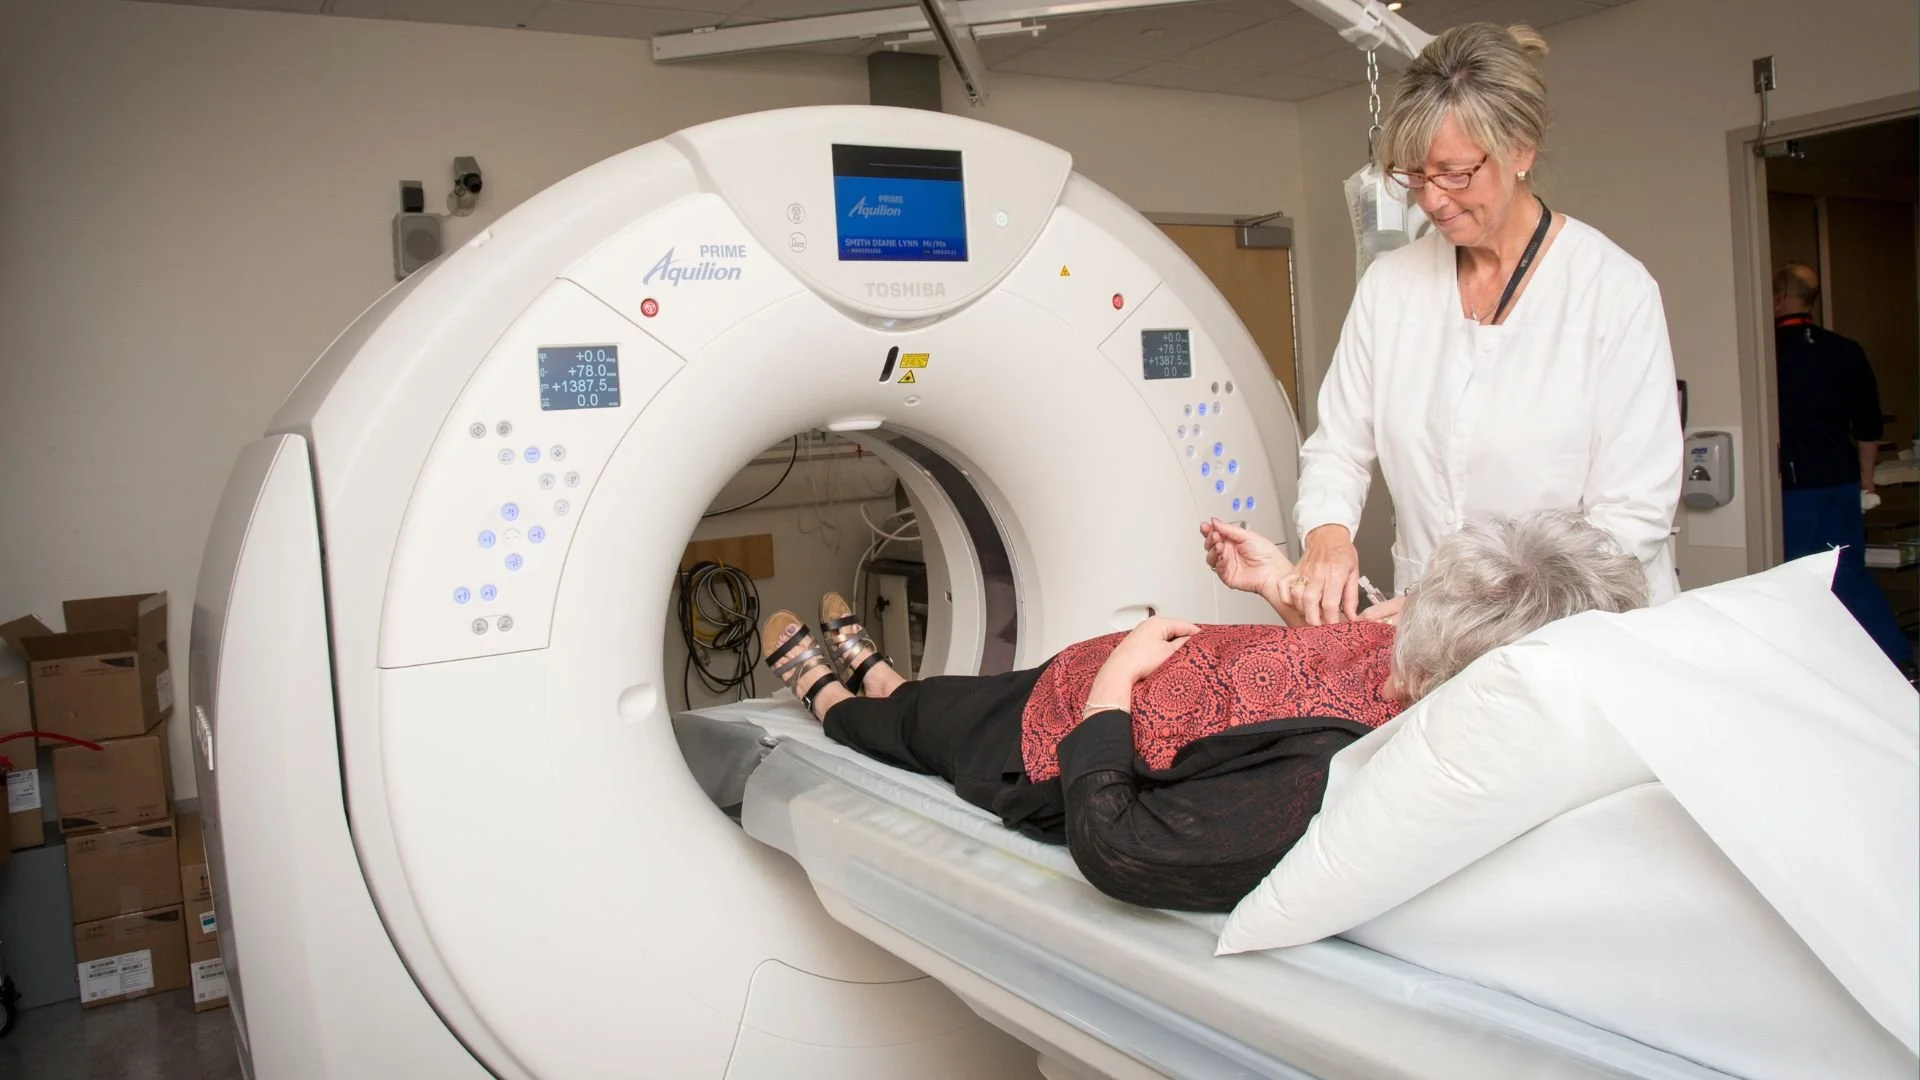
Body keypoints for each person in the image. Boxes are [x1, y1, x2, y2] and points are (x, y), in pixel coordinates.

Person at [758, 511, 1648, 913]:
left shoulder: (1329, 784)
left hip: (1050, 735)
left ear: (1459, 660)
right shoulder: (1412, 660)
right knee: (937, 698)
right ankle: (882, 674)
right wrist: (1273, 587)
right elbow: (1314, 668)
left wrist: (1115, 686)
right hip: (1086, 676)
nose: (1389, 605)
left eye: (1409, 604)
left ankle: (835, 695)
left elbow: (1122, 847)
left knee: (915, 731)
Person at [1285, 22, 1682, 628]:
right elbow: (1338, 447)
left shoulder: (1612, 292)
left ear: (1520, 148)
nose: (1433, 200)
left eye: (1455, 173)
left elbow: (1631, 518)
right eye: (1416, 176)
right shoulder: (1390, 288)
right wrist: (1328, 533)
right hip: (1427, 632)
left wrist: (1475, 608)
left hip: (1578, 629)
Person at [1773, 261, 1909, 667]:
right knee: (1847, 572)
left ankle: (1812, 665)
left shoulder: (1770, 354)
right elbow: (1868, 424)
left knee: (1794, 578)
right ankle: (1897, 660)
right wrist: (1866, 479)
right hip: (1840, 482)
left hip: (1794, 487)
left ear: (1778, 297)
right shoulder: (1845, 350)